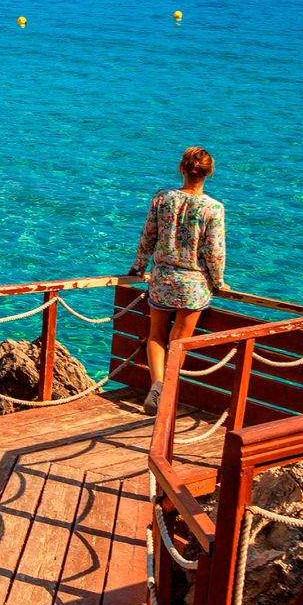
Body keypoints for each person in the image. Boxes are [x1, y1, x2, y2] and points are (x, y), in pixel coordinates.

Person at [128, 146, 228, 411]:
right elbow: (214, 251)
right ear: (209, 173)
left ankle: (157, 384)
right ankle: (168, 390)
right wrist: (218, 282)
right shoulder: (213, 208)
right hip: (193, 285)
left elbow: (148, 236)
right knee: (179, 343)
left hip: (162, 280)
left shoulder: (162, 198)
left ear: (182, 169)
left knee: (156, 336)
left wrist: (138, 266)